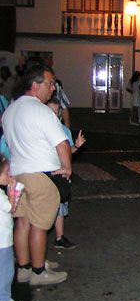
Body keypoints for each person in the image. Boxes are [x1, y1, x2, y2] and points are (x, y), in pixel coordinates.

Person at [2, 64, 70, 285]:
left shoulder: (11, 110)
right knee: (40, 225)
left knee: (23, 223)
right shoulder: (40, 110)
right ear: (34, 85)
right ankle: (39, 272)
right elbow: (61, 142)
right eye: (49, 84)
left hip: (17, 174)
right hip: (40, 174)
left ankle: (24, 267)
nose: (52, 88)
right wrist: (67, 167)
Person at [46, 97, 85, 250]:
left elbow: (68, 153)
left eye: (56, 112)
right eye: (50, 112)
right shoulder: (39, 129)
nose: (54, 116)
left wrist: (76, 146)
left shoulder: (64, 131)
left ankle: (59, 237)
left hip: (60, 173)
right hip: (45, 172)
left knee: (61, 205)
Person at [0, 155, 19, 301]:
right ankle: (3, 299)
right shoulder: (0, 196)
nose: (9, 176)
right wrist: (12, 192)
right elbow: (11, 208)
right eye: (7, 174)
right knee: (6, 269)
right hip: (3, 241)